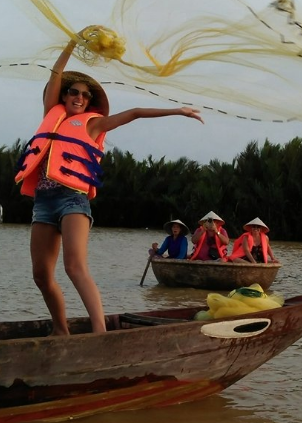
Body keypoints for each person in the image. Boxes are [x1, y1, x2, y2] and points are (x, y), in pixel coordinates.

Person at [14, 32, 204, 335]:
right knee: (41, 275)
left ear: (90, 102)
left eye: (85, 95)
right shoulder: (53, 113)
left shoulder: (93, 123)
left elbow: (135, 113)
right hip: (44, 202)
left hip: (73, 200)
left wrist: (177, 110)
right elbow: (56, 73)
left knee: (74, 267)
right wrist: (73, 43)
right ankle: (61, 330)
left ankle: (100, 333)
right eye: (73, 92)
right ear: (63, 95)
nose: (78, 97)